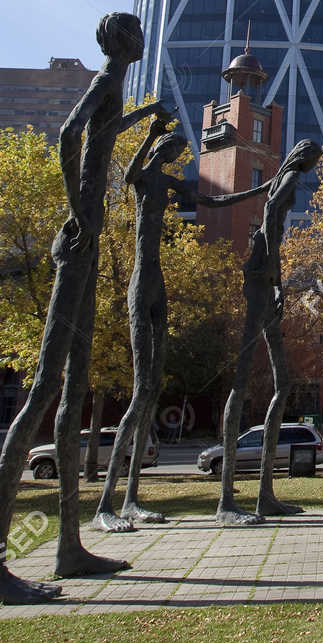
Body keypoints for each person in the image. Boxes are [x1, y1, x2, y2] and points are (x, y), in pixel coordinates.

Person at [0, 13, 169, 603]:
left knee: (75, 388)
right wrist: (78, 213)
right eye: (134, 33)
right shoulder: (107, 78)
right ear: (120, 41)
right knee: (44, 390)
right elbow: (69, 135)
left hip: (93, 239)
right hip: (79, 245)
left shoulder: (118, 87)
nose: (140, 39)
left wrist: (145, 121)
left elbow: (103, 135)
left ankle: (69, 548)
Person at [92, 126, 270, 532]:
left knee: (153, 387)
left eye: (178, 151)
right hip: (141, 278)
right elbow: (129, 172)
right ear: (161, 148)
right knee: (140, 392)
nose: (176, 156)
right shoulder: (143, 178)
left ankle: (132, 498)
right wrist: (151, 131)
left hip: (159, 279)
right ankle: (107, 504)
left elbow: (213, 199)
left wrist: (258, 189)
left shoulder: (170, 182)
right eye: (172, 149)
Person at [215, 140, 322, 526]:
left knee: (284, 382)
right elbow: (272, 219)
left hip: (263, 278)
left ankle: (264, 495)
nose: (315, 166)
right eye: (316, 159)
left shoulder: (279, 177)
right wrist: (278, 284)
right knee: (242, 383)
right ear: (306, 158)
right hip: (263, 283)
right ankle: (227, 501)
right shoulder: (290, 178)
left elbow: (255, 207)